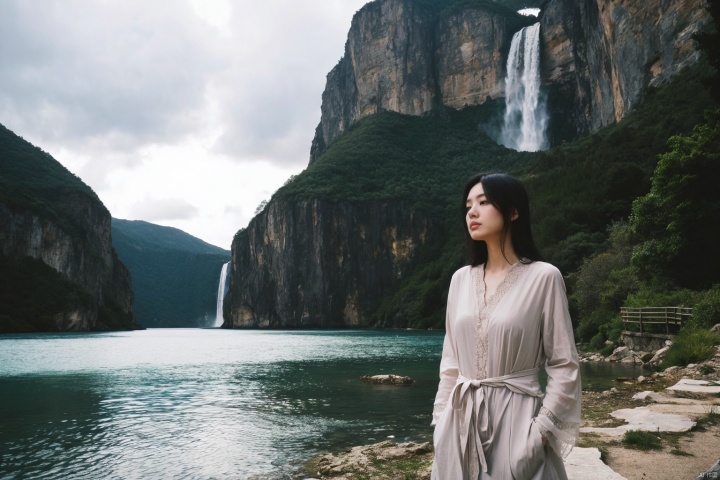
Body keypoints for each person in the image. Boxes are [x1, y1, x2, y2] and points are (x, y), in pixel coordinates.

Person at [431, 173, 581, 480]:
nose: (471, 212)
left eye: (484, 202)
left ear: (513, 211)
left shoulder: (544, 277)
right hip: (459, 426)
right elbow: (451, 364)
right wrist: (440, 422)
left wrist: (539, 435)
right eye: (468, 205)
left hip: (518, 425)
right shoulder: (460, 280)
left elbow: (565, 365)